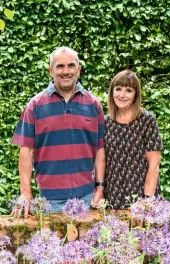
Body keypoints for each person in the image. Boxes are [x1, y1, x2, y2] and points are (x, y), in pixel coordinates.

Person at [11, 46, 106, 217]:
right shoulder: (35, 106)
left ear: (79, 69)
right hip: (48, 200)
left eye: (71, 66)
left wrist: (99, 187)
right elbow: (26, 150)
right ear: (50, 71)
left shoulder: (93, 105)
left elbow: (100, 149)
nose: (66, 71)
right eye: (60, 66)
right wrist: (26, 193)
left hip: (86, 197)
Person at [104, 70, 163, 209]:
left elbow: (154, 164)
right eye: (118, 89)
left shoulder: (146, 120)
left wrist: (147, 200)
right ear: (112, 92)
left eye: (128, 90)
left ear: (135, 94)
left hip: (141, 196)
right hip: (112, 195)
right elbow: (101, 161)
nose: (122, 95)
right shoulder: (105, 122)